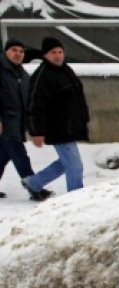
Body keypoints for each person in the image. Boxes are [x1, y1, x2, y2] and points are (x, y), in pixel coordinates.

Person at [23, 36, 90, 199]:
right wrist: (36, 131)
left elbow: (77, 96)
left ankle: (33, 183)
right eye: (53, 52)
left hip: (70, 125)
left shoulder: (66, 70)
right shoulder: (43, 75)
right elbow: (34, 105)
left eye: (60, 52)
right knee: (75, 166)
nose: (58, 55)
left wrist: (84, 117)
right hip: (57, 127)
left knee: (65, 163)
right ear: (45, 55)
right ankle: (75, 199)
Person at [0, 38, 37, 200]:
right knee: (20, 156)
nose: (18, 54)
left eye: (21, 51)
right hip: (5, 123)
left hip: (17, 123)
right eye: (14, 50)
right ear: (6, 52)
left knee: (2, 156)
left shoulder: (22, 74)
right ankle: (35, 187)